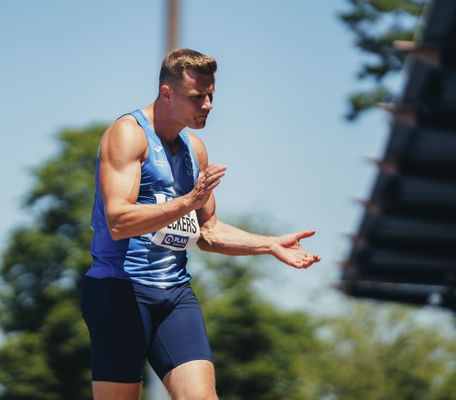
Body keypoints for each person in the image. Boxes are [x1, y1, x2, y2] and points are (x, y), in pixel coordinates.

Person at [81, 48, 321, 400]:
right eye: (197, 97)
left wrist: (268, 244)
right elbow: (118, 220)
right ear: (167, 93)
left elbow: (209, 232)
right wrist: (187, 203)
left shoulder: (195, 149)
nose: (207, 104)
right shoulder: (128, 135)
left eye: (211, 95)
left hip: (175, 295)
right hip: (120, 291)